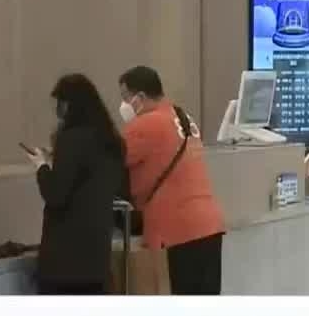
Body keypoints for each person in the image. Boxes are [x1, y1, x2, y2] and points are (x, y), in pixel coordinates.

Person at [118, 65, 225, 295]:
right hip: (208, 224)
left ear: (140, 97)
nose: (123, 105)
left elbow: (111, 161)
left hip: (178, 227)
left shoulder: (145, 124)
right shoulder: (184, 118)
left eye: (126, 97)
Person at [24, 74, 127, 295]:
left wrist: (42, 166)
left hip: (65, 257)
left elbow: (55, 194)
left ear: (70, 104)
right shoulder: (112, 142)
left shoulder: (71, 139)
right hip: (97, 253)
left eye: (60, 103)